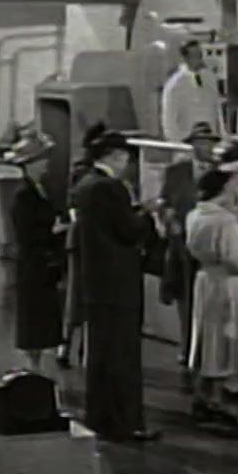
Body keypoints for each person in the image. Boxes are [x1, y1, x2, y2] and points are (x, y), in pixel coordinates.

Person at [73, 127, 163, 443]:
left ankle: (100, 418)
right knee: (123, 356)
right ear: (114, 156)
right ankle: (125, 422)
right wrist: (147, 215)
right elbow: (128, 231)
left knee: (101, 356)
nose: (128, 164)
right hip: (118, 284)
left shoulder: (85, 185)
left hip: (96, 284)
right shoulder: (111, 188)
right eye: (125, 157)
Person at [185, 166, 238, 434]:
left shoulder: (195, 214)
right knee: (224, 339)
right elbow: (234, 257)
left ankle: (202, 396)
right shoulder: (224, 220)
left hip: (205, 280)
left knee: (207, 338)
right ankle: (216, 400)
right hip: (225, 283)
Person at [159, 122, 222, 372]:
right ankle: (188, 348)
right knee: (185, 297)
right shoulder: (176, 172)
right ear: (193, 145)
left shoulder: (222, 172)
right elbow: (165, 203)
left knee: (211, 300)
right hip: (182, 245)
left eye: (210, 143)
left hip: (212, 246)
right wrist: (169, 221)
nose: (206, 147)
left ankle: (209, 350)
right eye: (201, 142)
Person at [5, 130, 66, 370]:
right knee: (33, 316)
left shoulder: (38, 189)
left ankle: (36, 362)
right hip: (33, 264)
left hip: (40, 262)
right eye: (42, 160)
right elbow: (27, 232)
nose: (46, 164)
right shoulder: (24, 195)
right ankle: (33, 365)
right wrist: (54, 230)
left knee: (40, 316)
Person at [59, 123, 106, 369]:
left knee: (75, 295)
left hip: (77, 240)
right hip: (86, 241)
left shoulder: (80, 171)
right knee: (81, 296)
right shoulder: (90, 175)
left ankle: (68, 346)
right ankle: (76, 348)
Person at [161, 39, 224, 144]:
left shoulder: (210, 78)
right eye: (194, 55)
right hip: (186, 139)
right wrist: (176, 140)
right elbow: (168, 117)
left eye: (199, 55)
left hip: (210, 138)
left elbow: (217, 108)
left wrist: (222, 135)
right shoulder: (175, 84)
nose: (199, 59)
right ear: (185, 58)